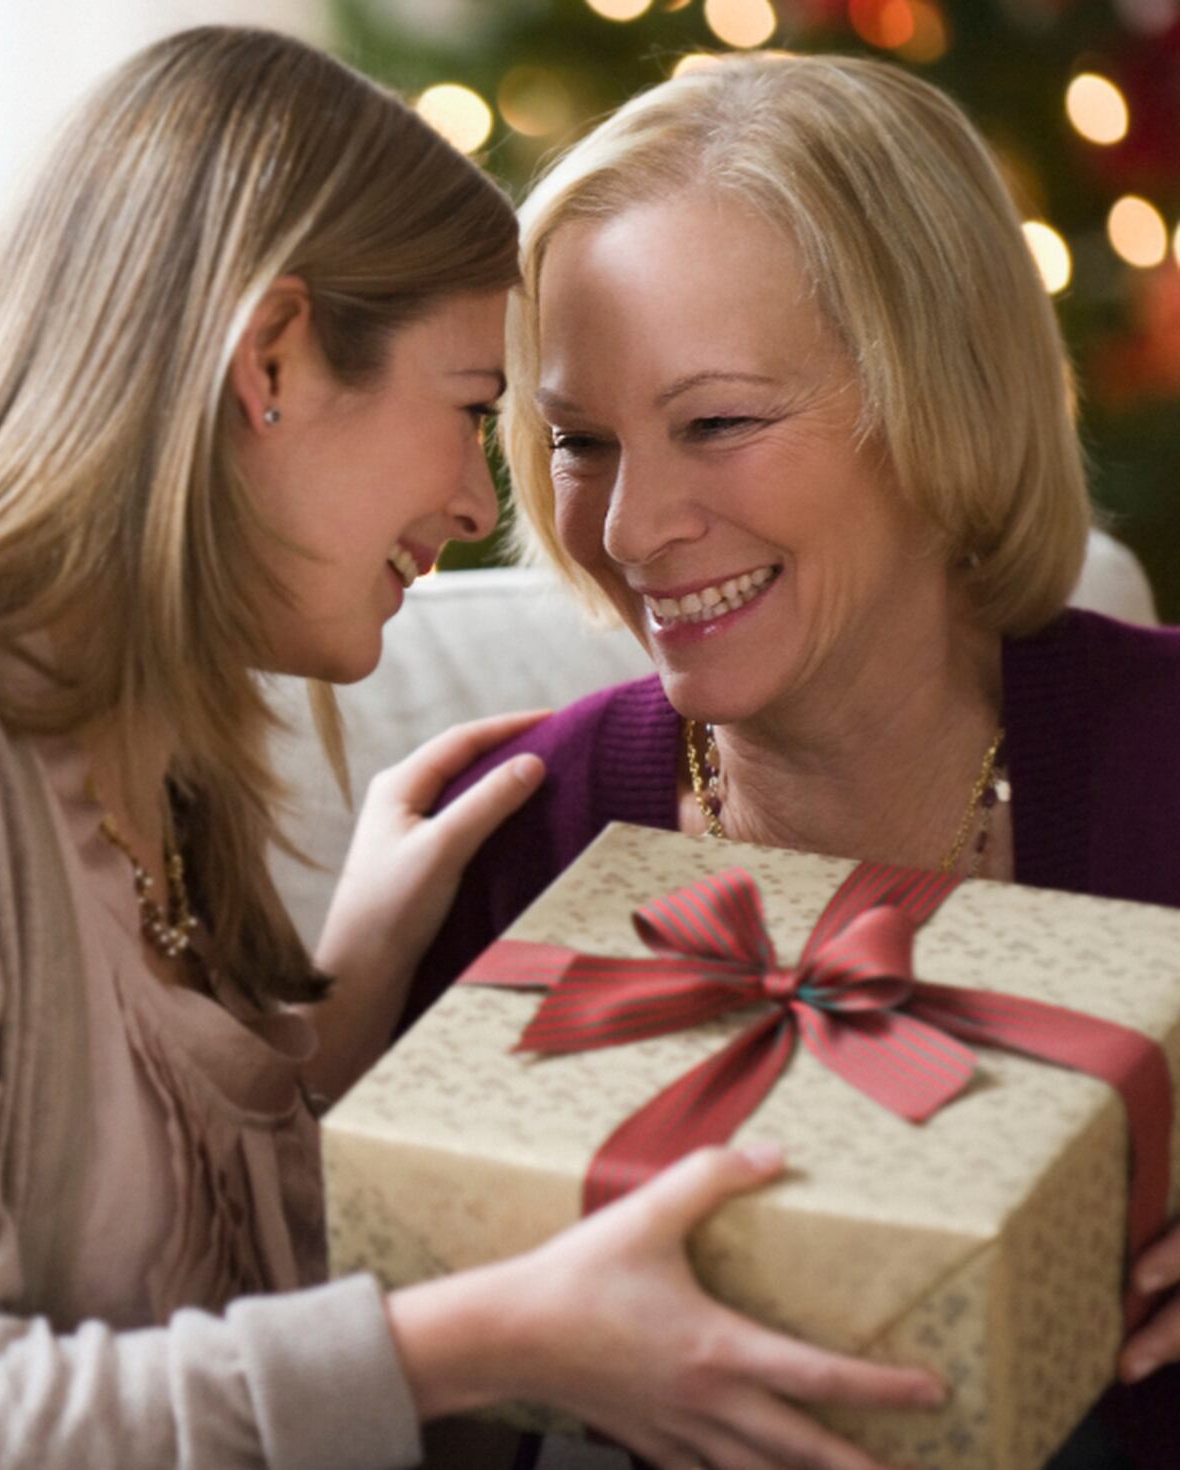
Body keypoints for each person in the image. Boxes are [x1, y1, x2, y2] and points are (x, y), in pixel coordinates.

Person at [0, 28, 945, 1470]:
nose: (470, 502)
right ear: (271, 357)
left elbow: (202, 1355)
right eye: (466, 411)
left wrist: (321, 1035)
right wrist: (499, 1332)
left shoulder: (158, 770)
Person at [404, 51, 1180, 1470]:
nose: (633, 529)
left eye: (717, 423)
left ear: (934, 394)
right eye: (579, 440)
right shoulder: (508, 844)